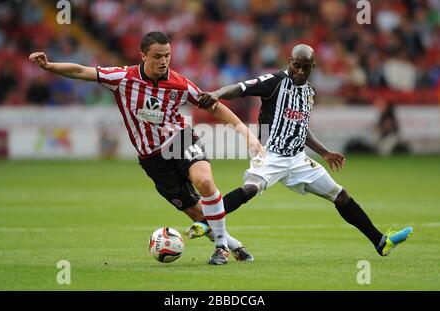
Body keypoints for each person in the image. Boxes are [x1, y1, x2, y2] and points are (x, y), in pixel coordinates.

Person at [29, 31, 264, 265]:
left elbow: (213, 107)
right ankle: (236, 244)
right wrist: (49, 66)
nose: (163, 61)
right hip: (153, 160)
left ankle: (220, 248)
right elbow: (81, 71)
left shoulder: (180, 84)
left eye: (167, 56)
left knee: (204, 181)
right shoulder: (122, 78)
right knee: (199, 214)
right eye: (158, 56)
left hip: (180, 141)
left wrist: (247, 134)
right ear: (143, 55)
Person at [191, 44, 413, 257]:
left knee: (341, 196)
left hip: (298, 160)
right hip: (270, 154)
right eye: (296, 65)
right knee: (250, 189)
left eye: (306, 67)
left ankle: (381, 242)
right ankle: (205, 222)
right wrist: (218, 93)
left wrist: (325, 152)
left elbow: (301, 128)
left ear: (312, 67)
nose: (300, 71)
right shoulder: (275, 81)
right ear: (289, 61)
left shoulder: (309, 92)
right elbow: (241, 88)